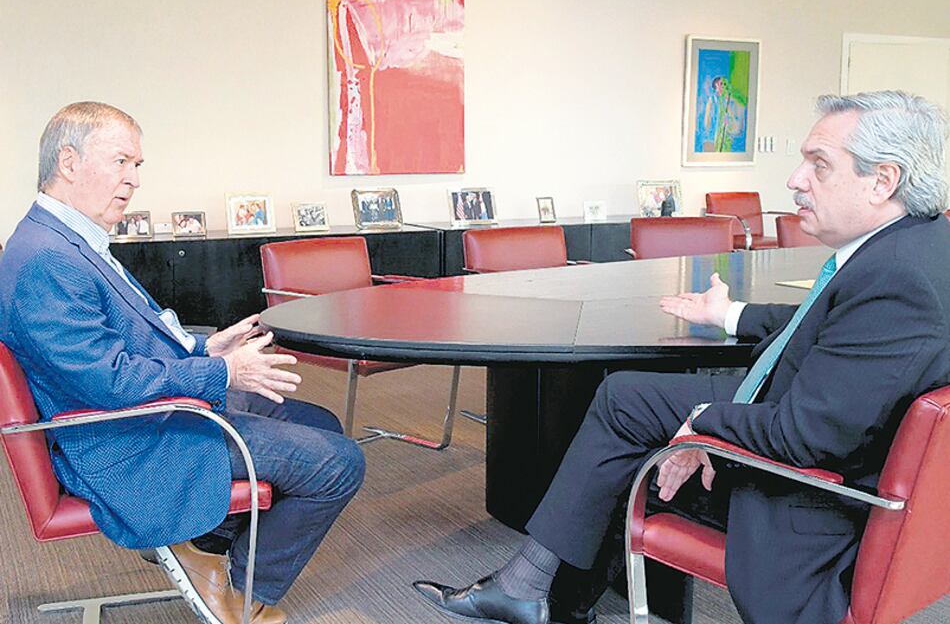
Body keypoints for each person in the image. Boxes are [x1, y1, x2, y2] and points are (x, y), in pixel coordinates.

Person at [414, 90, 950, 624]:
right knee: (626, 401)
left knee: (629, 440)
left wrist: (702, 425)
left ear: (883, 180)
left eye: (819, 164)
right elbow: (835, 330)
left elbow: (803, 435)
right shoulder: (918, 247)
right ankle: (542, 594)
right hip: (829, 424)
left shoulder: (895, 280)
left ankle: (539, 594)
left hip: (811, 499)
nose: (795, 179)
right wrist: (731, 313)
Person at [0, 102, 365, 624]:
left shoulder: (65, 238)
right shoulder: (47, 258)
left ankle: (203, 544)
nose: (134, 179)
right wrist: (225, 372)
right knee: (339, 463)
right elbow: (108, 381)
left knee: (320, 423)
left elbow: (125, 339)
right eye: (122, 161)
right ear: (69, 162)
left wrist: (205, 348)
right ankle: (242, 590)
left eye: (137, 165)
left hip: (142, 415)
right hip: (124, 442)